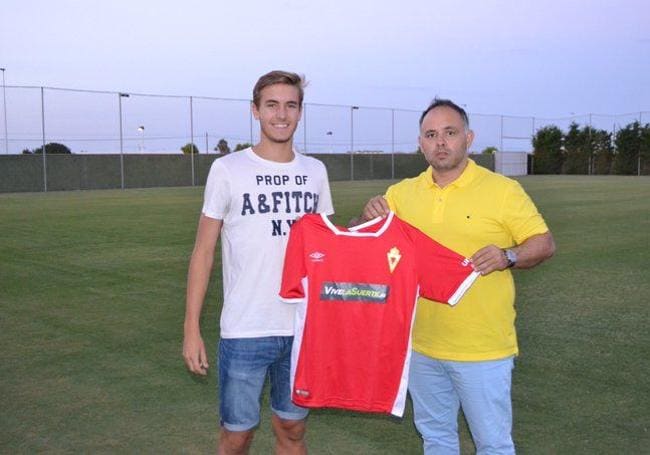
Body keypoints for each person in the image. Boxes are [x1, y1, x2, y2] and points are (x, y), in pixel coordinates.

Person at [358, 99, 555, 454]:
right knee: (436, 440)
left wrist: (507, 255)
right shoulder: (402, 194)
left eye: (450, 133)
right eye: (431, 135)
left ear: (469, 138)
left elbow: (543, 243)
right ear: (420, 144)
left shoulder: (503, 190)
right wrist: (366, 215)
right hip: (420, 345)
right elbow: (365, 241)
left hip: (483, 348)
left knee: (493, 444)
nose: (441, 143)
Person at [183, 70, 334, 455]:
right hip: (246, 328)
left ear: (300, 112)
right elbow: (203, 252)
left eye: (290, 105)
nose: (281, 114)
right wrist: (191, 329)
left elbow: (328, 249)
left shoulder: (315, 172)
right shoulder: (228, 169)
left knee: (292, 429)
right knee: (237, 436)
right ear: (255, 111)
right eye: (271, 105)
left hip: (302, 329)